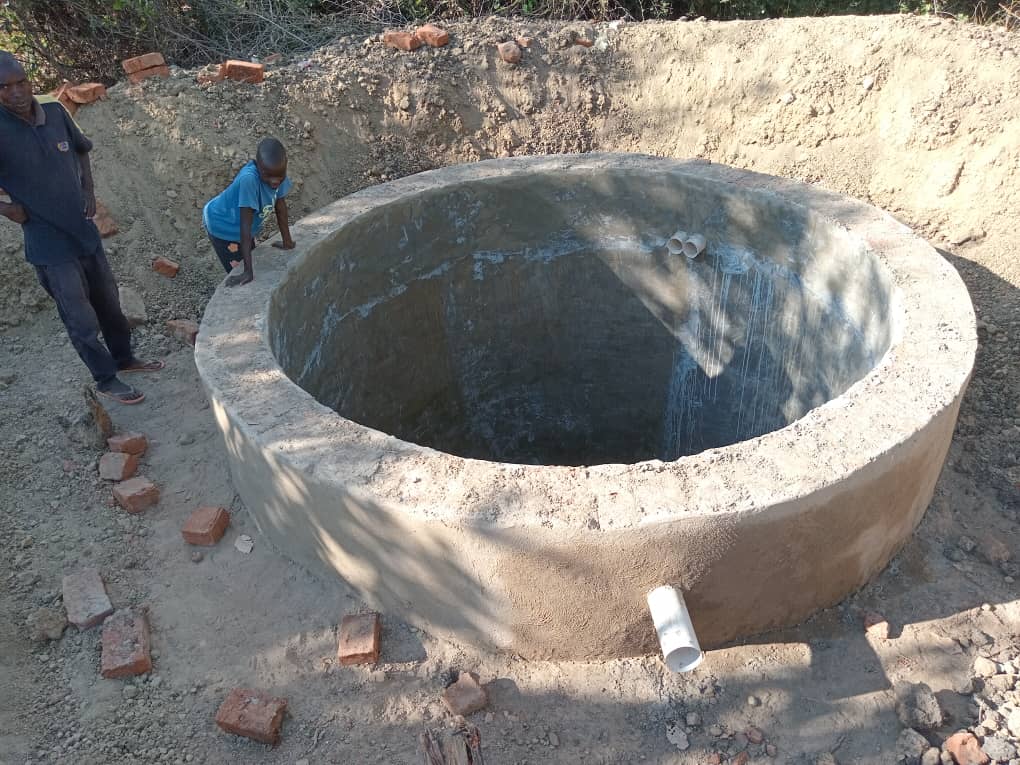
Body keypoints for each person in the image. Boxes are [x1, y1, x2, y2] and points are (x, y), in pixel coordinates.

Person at [0, 52, 162, 405]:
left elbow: (81, 150)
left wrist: (88, 190)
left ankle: (125, 359)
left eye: (21, 82)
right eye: (5, 87)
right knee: (80, 319)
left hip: (84, 234)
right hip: (48, 246)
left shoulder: (55, 112)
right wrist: (8, 209)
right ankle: (105, 379)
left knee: (110, 304)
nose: (16, 92)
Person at [202, 137, 295, 287]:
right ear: (258, 166)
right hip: (222, 225)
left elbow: (281, 207)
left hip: (242, 225)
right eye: (268, 176)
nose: (275, 182)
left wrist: (287, 242)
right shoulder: (249, 180)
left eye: (280, 176)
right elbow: (245, 228)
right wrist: (247, 272)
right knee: (238, 268)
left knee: (249, 253)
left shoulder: (276, 169)